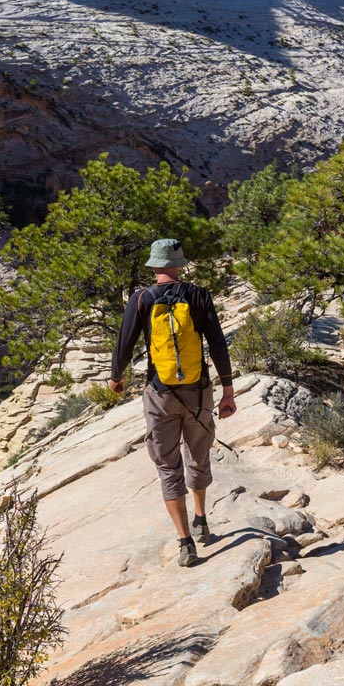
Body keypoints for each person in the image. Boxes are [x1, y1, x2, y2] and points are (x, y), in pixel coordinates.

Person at [109, 238, 237, 567]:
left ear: (154, 266)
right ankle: (201, 518)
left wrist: (116, 376)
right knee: (198, 456)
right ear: (178, 264)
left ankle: (185, 542)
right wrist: (228, 391)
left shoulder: (141, 298)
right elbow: (218, 344)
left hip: (160, 393)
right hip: (199, 391)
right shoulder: (198, 295)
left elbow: (124, 343)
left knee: (168, 467)